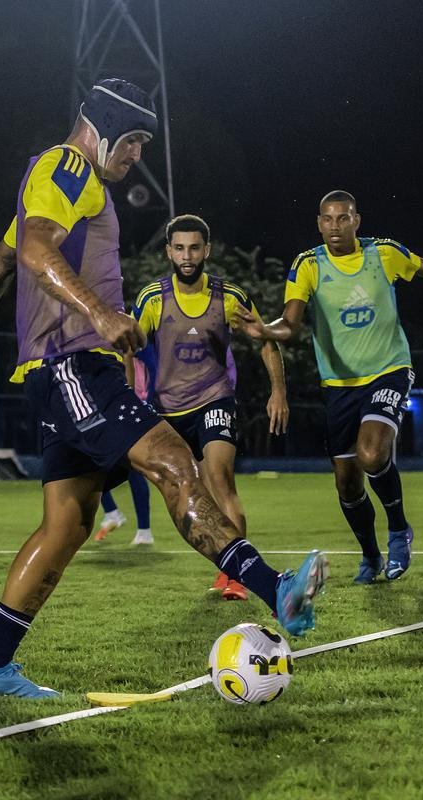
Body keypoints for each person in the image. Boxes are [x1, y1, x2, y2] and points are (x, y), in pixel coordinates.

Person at [0, 79, 328, 699]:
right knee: (175, 462)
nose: (138, 155)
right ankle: (276, 588)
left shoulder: (60, 184)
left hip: (61, 373)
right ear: (105, 128)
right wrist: (97, 311)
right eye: (136, 140)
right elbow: (34, 250)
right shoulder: (67, 166)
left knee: (66, 525)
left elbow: (0, 261)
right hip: (73, 368)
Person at [237, 190, 423, 585]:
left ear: (357, 220)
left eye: (343, 218)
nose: (335, 227)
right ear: (319, 223)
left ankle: (398, 530)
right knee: (347, 483)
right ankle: (370, 556)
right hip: (339, 384)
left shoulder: (383, 253)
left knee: (371, 454)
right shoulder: (307, 265)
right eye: (327, 219)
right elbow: (290, 324)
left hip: (388, 370)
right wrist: (263, 329)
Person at [133, 214, 289, 601]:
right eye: (180, 248)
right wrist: (129, 396)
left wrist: (278, 393)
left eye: (195, 247)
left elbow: (266, 340)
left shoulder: (229, 296)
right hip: (167, 409)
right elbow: (129, 348)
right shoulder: (152, 298)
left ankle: (237, 578)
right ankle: (228, 560)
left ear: (208, 250)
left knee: (220, 478)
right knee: (188, 491)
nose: (187, 256)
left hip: (214, 399)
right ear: (169, 251)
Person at [95, 352, 153, 545]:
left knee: (131, 469)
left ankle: (140, 529)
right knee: (93, 464)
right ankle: (115, 514)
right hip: (121, 407)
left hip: (128, 408)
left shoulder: (134, 348)